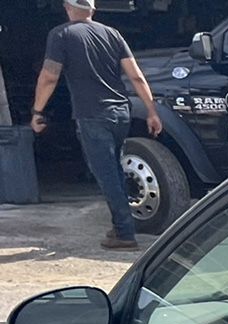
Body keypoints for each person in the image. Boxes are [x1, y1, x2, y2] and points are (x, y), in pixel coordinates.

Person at [29, 0, 165, 251]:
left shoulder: (61, 34)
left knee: (106, 174)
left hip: (93, 115)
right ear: (93, 9)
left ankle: (125, 234)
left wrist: (37, 111)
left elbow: (49, 76)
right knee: (115, 169)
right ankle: (120, 224)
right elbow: (136, 75)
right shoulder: (112, 34)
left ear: (67, 8)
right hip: (121, 113)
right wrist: (151, 111)